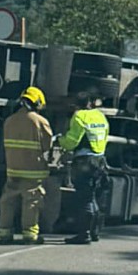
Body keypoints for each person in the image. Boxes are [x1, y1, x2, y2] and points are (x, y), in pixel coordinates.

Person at [0, 86, 54, 244]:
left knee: (8, 201)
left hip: (13, 169)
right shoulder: (40, 122)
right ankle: (30, 235)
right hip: (32, 171)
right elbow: (47, 145)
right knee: (31, 201)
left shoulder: (9, 120)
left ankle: (4, 234)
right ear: (37, 102)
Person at [59, 91, 110, 245]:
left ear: (76, 104)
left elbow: (72, 141)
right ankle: (94, 232)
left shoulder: (80, 116)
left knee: (84, 199)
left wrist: (60, 140)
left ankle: (84, 234)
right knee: (93, 197)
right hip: (99, 160)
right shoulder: (100, 116)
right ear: (90, 102)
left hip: (85, 162)